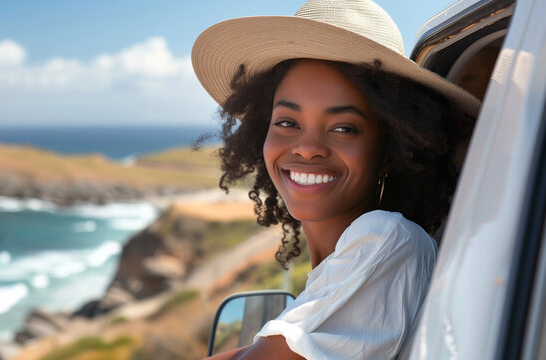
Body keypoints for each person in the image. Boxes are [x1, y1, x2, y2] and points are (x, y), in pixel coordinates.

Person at [192, 0, 479, 359]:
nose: (308, 148)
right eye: (287, 122)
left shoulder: (385, 239)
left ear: (390, 150)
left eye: (344, 128)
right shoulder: (343, 269)